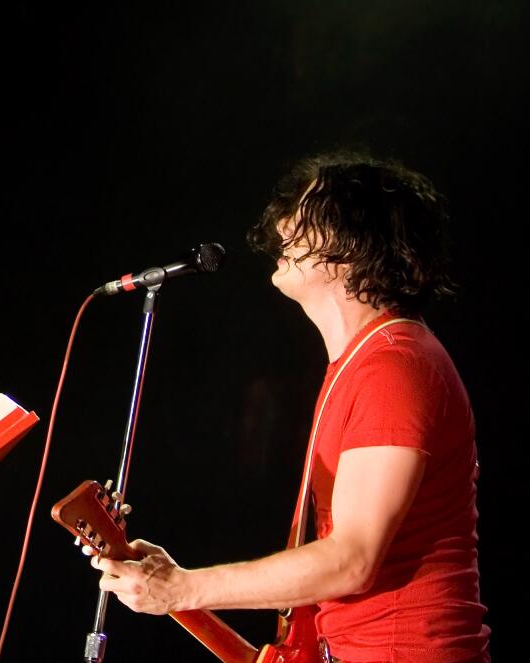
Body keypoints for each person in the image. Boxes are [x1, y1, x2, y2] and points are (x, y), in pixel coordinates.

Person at [91, 153, 490, 663]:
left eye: (302, 216)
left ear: (351, 245)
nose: (280, 227)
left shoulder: (396, 368)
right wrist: (169, 590)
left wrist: (183, 588)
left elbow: (350, 561)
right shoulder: (363, 363)